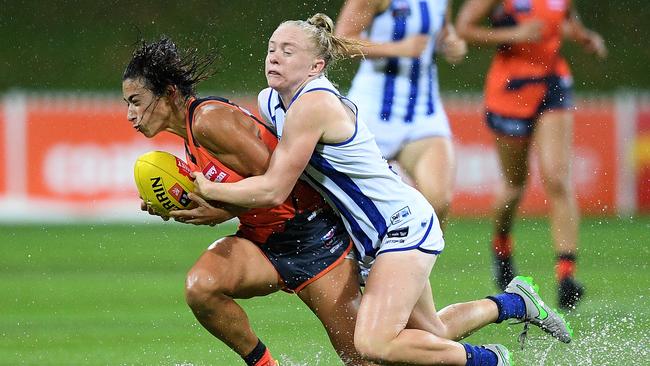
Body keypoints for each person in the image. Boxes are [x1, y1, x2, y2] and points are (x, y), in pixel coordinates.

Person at [191, 14, 573, 366]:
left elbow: (275, 188)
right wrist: (225, 201)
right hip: (376, 235)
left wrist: (210, 190)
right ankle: (514, 301)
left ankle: (490, 360)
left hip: (400, 224)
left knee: (373, 344)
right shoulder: (270, 101)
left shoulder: (314, 105)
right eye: (272, 48)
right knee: (432, 334)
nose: (274, 57)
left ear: (316, 66)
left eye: (288, 51)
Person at [121, 37, 373, 366]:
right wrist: (177, 206)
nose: (130, 114)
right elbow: (233, 193)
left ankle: (456, 354)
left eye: (136, 101)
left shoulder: (208, 121)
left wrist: (219, 208)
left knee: (364, 359)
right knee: (202, 287)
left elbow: (278, 185)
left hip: (312, 238)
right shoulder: (191, 137)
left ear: (168, 93)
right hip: (262, 240)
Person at [455, 0, 607, 309]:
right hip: (510, 90)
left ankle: (566, 276)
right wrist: (514, 34)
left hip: (552, 83)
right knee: (515, 185)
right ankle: (501, 247)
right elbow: (463, 30)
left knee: (557, 178)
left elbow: (563, 16)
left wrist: (582, 35)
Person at [334, 0, 467, 230]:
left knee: (438, 202)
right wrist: (395, 49)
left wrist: (452, 43)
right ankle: (365, 264)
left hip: (424, 112)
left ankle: (414, 265)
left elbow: (443, 31)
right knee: (353, 206)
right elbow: (340, 41)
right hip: (372, 112)